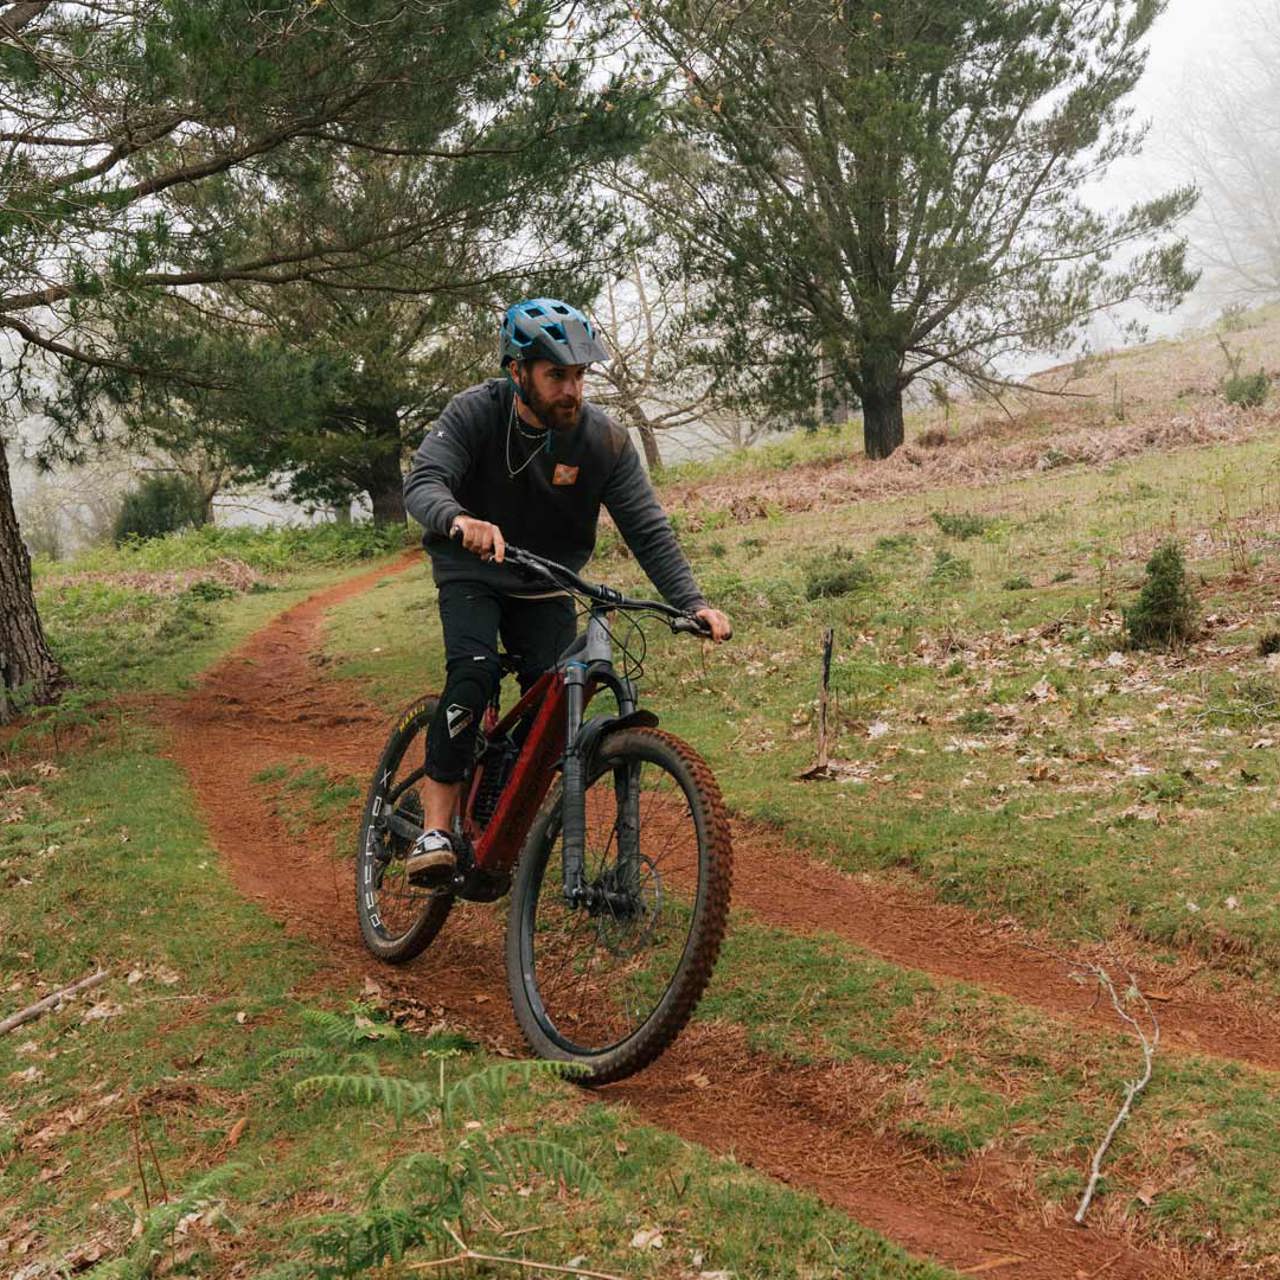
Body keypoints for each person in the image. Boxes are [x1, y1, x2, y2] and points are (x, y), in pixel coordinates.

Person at [401, 297, 732, 885]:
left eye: (579, 375)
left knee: (548, 709)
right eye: (556, 375)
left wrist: (692, 602)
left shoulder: (603, 441)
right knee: (473, 676)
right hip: (470, 571)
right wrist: (458, 519)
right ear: (517, 371)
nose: (571, 390)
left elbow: (647, 528)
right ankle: (432, 826)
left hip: (546, 583)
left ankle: (493, 821)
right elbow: (424, 482)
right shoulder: (475, 413)